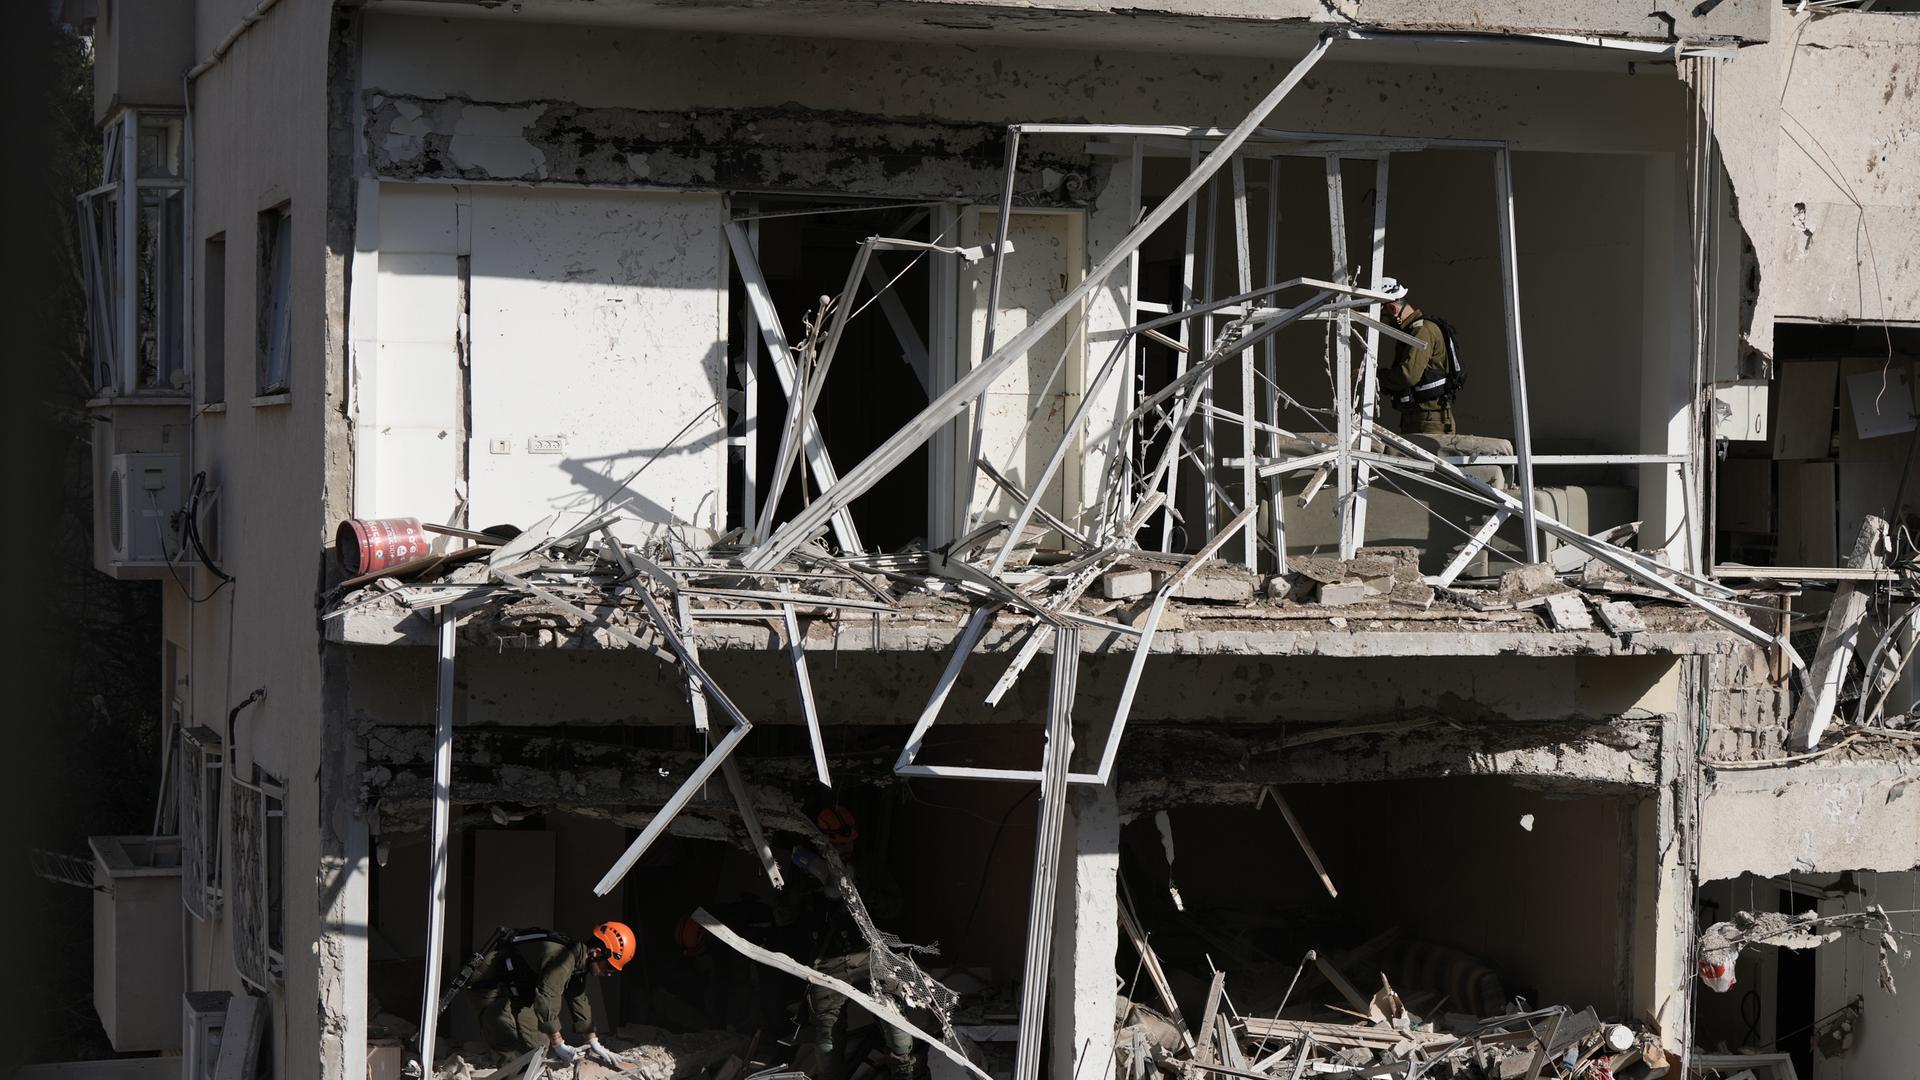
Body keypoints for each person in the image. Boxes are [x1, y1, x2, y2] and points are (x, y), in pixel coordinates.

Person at [779, 805, 916, 1080]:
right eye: (837, 844)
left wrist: (863, 891)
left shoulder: (868, 864)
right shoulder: (805, 869)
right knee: (826, 1041)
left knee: (894, 1019)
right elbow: (781, 917)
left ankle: (905, 1072)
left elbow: (895, 907)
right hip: (826, 962)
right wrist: (803, 890)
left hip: (867, 955)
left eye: (848, 842)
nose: (844, 849)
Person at [467, 921, 635, 1061]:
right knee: (513, 1051)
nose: (609, 973)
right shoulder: (564, 958)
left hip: (516, 990)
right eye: (610, 967)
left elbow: (578, 998)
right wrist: (558, 1043)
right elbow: (547, 997)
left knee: (538, 1048)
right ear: (597, 953)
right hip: (490, 985)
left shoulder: (579, 962)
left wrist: (594, 1042)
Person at [1375, 277, 1462, 435]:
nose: (1384, 324)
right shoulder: (1415, 330)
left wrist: (1373, 376)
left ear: (1393, 310)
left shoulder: (1421, 331)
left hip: (1428, 421)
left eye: (1383, 318)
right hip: (1420, 418)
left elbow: (1408, 375)